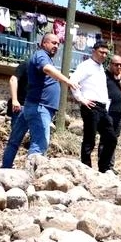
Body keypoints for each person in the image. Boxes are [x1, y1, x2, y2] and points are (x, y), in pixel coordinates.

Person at [23, 32, 78, 163]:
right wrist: (67, 81)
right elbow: (47, 69)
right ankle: (31, 174)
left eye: (58, 44)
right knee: (40, 143)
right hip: (40, 107)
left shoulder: (46, 57)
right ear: (44, 43)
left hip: (42, 108)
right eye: (53, 43)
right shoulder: (41, 55)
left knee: (38, 141)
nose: (57, 46)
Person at [70, 41, 117, 173]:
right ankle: (86, 168)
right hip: (91, 106)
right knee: (89, 138)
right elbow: (73, 81)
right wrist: (81, 99)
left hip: (102, 108)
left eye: (106, 53)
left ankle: (103, 168)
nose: (103, 55)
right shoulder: (86, 66)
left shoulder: (101, 68)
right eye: (101, 52)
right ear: (94, 51)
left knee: (111, 138)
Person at [98, 53, 121, 172]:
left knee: (113, 140)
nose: (119, 67)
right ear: (110, 64)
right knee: (105, 139)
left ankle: (110, 167)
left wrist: (119, 81)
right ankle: (103, 167)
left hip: (119, 114)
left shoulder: (120, 78)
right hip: (108, 113)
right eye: (116, 65)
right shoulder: (103, 76)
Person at [1, 58, 30, 168]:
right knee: (14, 140)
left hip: (35, 109)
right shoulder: (26, 64)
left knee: (37, 143)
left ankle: (31, 170)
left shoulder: (44, 68)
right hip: (20, 108)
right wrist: (15, 100)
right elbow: (13, 79)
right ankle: (6, 167)